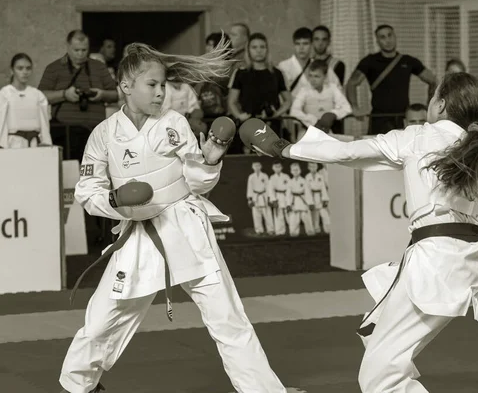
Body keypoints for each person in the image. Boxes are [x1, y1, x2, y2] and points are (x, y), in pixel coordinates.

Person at [239, 72, 478, 392]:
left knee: (377, 379)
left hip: (432, 262)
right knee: (374, 330)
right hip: (466, 263)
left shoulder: (419, 136)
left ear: (439, 104)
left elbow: (350, 151)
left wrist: (282, 148)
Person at [59, 42, 305, 393]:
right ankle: (78, 385)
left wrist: (209, 160)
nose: (161, 92)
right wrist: (113, 200)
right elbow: (87, 190)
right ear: (126, 86)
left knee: (227, 316)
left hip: (185, 227)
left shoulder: (174, 122)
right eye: (152, 85)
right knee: (103, 318)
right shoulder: (104, 134)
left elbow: (198, 184)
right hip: (138, 233)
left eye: (163, 85)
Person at [39, 30, 118, 161]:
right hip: (65, 132)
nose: (80, 54)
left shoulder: (99, 67)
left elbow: (115, 95)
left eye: (84, 50)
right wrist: (65, 94)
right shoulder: (54, 68)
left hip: (95, 131)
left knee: (95, 172)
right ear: (68, 47)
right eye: (76, 50)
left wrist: (101, 94)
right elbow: (40, 97)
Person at [346, 24, 437, 134]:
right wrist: (355, 107)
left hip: (402, 117)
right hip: (379, 118)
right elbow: (351, 83)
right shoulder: (369, 61)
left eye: (390, 35)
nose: (387, 40)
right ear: (377, 41)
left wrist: (430, 106)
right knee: (377, 150)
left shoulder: (407, 61)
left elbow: (433, 80)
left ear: (395, 37)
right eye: (382, 37)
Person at [228, 33, 291, 153]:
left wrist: (277, 114)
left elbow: (288, 100)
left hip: (272, 126)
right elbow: (232, 101)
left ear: (267, 49)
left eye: (262, 47)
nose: (259, 51)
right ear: (248, 50)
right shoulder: (240, 73)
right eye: (254, 47)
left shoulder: (277, 73)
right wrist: (239, 116)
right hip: (247, 125)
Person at [0, 53, 52, 148]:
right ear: (12, 70)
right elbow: (1, 123)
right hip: (12, 143)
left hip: (34, 143)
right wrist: (2, 146)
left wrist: (46, 143)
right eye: (20, 68)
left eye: (28, 68)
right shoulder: (5, 94)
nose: (25, 72)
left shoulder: (37, 95)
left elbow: (44, 123)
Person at [290, 60, 351, 138]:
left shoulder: (332, 88)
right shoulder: (304, 90)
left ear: (325, 77)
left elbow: (347, 107)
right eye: (310, 76)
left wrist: (333, 114)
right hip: (308, 131)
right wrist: (312, 121)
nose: (312, 80)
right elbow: (294, 111)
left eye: (316, 76)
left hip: (328, 131)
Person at [247, 161, 275, 236]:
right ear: (253, 167)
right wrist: (250, 199)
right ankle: (259, 230)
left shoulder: (265, 176)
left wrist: (270, 198)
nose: (257, 167)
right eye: (255, 166)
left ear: (260, 167)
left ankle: (270, 230)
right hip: (255, 197)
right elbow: (250, 188)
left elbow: (268, 188)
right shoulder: (251, 177)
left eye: (258, 166)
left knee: (268, 214)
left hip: (264, 196)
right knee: (256, 215)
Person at [305, 162, 329, 234]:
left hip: (320, 197)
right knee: (314, 215)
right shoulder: (307, 177)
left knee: (325, 215)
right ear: (308, 167)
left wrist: (325, 199)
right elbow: (307, 190)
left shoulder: (320, 176)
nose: (313, 168)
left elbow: (323, 188)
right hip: (312, 197)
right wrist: (310, 202)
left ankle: (328, 230)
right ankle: (316, 229)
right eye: (311, 167)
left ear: (317, 167)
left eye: (314, 167)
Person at [268, 161, 291, 235]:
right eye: (276, 167)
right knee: (278, 215)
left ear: (281, 167)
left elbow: (289, 188)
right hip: (277, 197)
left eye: (279, 167)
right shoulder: (272, 177)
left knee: (289, 214)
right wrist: (273, 200)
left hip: (286, 196)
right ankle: (279, 231)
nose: (277, 168)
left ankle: (292, 230)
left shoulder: (286, 176)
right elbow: (270, 190)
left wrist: (289, 200)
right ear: (273, 168)